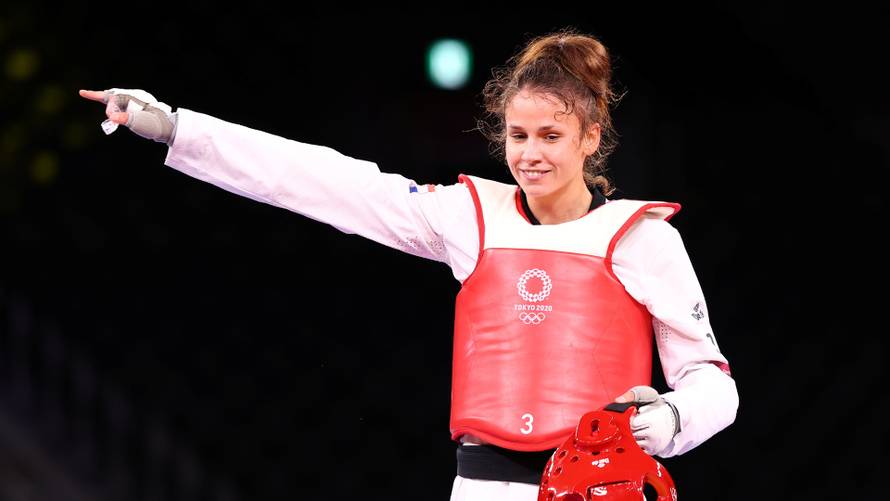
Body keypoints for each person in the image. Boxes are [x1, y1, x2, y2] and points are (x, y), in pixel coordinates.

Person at [80, 28, 737, 501]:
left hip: (594, 489)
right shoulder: (470, 216)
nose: (530, 153)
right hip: (481, 487)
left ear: (592, 137)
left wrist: (674, 419)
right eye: (517, 135)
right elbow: (325, 181)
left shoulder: (643, 239)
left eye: (551, 136)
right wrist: (176, 128)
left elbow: (715, 383)